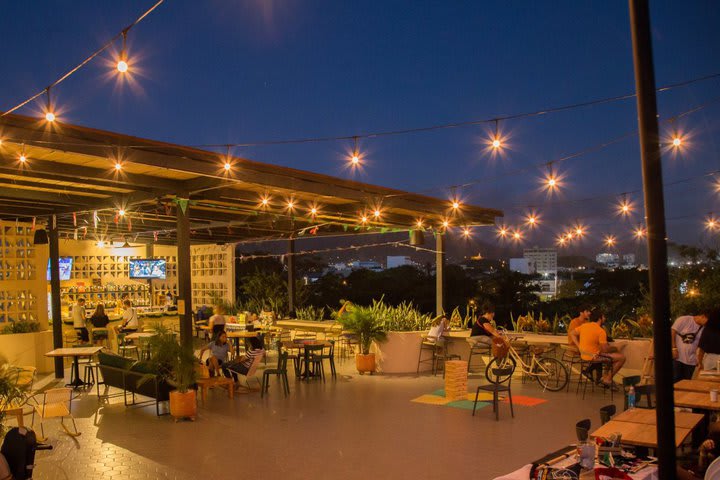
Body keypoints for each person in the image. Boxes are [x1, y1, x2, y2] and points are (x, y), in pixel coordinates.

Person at [570, 308, 625, 388]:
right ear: (599, 318)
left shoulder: (584, 326)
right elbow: (605, 349)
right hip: (594, 357)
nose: (605, 319)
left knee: (610, 357)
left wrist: (579, 346)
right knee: (621, 357)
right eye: (604, 317)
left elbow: (572, 333)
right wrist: (617, 347)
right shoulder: (600, 331)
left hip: (584, 355)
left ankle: (605, 377)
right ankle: (608, 379)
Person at [672, 311, 709, 381]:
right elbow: (672, 332)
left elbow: (701, 345)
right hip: (678, 358)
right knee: (675, 380)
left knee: (686, 382)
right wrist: (674, 348)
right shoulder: (684, 319)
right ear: (703, 316)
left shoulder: (704, 328)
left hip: (691, 361)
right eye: (708, 321)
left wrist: (699, 360)